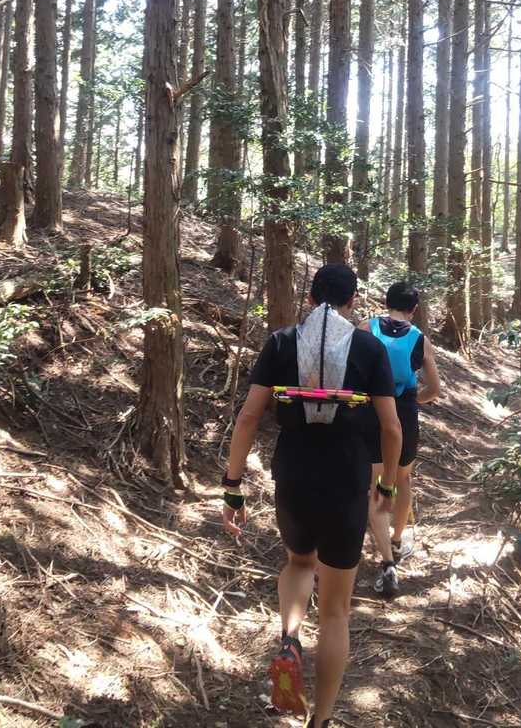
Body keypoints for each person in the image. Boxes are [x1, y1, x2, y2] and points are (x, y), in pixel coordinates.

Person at [222, 264, 402, 728]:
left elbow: (248, 418)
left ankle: (289, 637)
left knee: (299, 563)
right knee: (337, 611)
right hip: (346, 478)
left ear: (309, 298)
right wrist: (386, 486)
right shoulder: (369, 347)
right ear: (353, 300)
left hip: (294, 472)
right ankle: (320, 719)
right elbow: (391, 427)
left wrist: (233, 486)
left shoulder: (281, 342)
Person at [361, 280, 440, 598]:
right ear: (414, 309)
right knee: (403, 479)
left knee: (377, 484)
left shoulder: (366, 328)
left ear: (386, 301)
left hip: (371, 411)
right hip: (404, 414)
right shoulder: (420, 339)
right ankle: (396, 540)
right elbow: (434, 389)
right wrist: (411, 401)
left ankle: (387, 563)